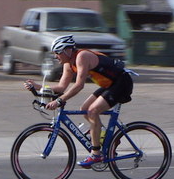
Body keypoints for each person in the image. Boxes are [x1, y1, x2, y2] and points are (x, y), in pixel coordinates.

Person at [24, 35, 133, 168]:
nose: (55, 56)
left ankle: (96, 154)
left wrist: (59, 101)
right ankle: (105, 139)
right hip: (110, 85)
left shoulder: (82, 57)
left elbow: (79, 85)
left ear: (66, 51)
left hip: (122, 83)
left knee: (93, 111)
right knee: (85, 109)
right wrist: (39, 87)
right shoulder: (68, 65)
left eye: (57, 53)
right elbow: (61, 87)